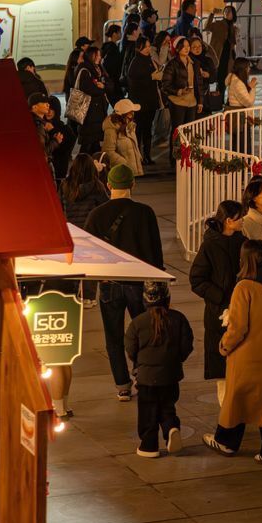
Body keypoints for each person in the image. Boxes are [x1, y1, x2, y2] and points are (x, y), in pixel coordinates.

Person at [203, 239, 262, 466]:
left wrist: (224, 346)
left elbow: (237, 327)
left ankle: (226, 441)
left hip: (245, 354)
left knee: (238, 398)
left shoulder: (243, 287)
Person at [84, 163, 164, 401]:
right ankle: (141, 373)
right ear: (132, 184)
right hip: (138, 282)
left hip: (109, 283)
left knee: (113, 335)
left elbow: (89, 252)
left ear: (108, 185)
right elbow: (155, 251)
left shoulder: (97, 215)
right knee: (143, 331)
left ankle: (122, 385)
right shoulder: (145, 212)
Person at [124, 281, 194, 458]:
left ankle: (149, 446)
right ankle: (171, 427)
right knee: (167, 405)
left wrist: (140, 363)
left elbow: (130, 348)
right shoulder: (179, 319)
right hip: (171, 375)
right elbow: (187, 345)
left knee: (148, 410)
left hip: (147, 377)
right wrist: (176, 360)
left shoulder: (138, 323)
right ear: (167, 298)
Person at [190, 201, 247, 405]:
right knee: (222, 368)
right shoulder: (210, 246)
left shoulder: (243, 242)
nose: (243, 221)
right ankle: (227, 415)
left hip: (242, 310)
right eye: (240, 217)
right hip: (218, 314)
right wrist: (220, 297)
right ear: (229, 221)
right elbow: (197, 280)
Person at [161, 37, 200, 161]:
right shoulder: (172, 64)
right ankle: (175, 159)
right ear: (177, 49)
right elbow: (165, 85)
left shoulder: (193, 62)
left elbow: (198, 83)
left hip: (192, 101)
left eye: (188, 46)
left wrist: (200, 101)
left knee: (190, 131)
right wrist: (178, 91)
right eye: (184, 46)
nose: (187, 48)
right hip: (177, 101)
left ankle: (188, 157)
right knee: (177, 131)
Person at [125, 37, 161, 166]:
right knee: (139, 130)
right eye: (145, 46)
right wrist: (150, 77)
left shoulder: (150, 60)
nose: (148, 49)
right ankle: (138, 156)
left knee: (147, 129)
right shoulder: (135, 62)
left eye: (149, 46)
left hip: (150, 101)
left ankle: (147, 155)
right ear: (139, 48)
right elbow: (133, 83)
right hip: (139, 102)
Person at [73, 44, 110, 154]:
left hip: (96, 112)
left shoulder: (98, 69)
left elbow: (109, 83)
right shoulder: (85, 70)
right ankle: (82, 167)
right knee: (88, 143)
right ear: (91, 56)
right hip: (88, 112)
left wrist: (103, 86)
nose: (100, 57)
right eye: (97, 55)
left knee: (94, 143)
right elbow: (89, 89)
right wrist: (103, 89)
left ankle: (94, 166)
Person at [60, 153, 109, 227]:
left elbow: (57, 207)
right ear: (92, 168)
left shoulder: (64, 185)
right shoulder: (97, 186)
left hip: (69, 229)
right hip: (89, 230)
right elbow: (106, 208)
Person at [102, 99, 144, 175]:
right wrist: (123, 163)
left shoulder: (129, 126)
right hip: (121, 172)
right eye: (130, 113)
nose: (133, 114)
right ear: (123, 114)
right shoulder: (111, 128)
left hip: (131, 171)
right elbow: (108, 151)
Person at [31, 92, 68, 178]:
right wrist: (55, 141)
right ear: (34, 107)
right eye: (44, 103)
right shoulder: (39, 125)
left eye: (51, 108)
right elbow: (41, 152)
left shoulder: (45, 124)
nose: (48, 106)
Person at [206, 4, 239, 98]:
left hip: (229, 56)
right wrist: (212, 14)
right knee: (219, 77)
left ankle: (223, 99)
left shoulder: (234, 28)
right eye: (226, 11)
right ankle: (217, 100)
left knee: (226, 78)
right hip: (218, 54)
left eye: (229, 11)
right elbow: (207, 26)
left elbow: (234, 43)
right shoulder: (218, 24)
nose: (227, 13)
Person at [189, 37, 218, 115]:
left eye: (199, 46)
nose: (197, 49)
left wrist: (208, 75)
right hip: (190, 95)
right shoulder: (188, 60)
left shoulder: (208, 60)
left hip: (205, 95)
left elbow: (214, 78)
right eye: (194, 47)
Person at [100, 23, 124, 103]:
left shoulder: (106, 46)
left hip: (110, 80)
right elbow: (111, 64)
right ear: (114, 34)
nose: (121, 34)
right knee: (119, 103)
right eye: (119, 32)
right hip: (113, 80)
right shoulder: (112, 48)